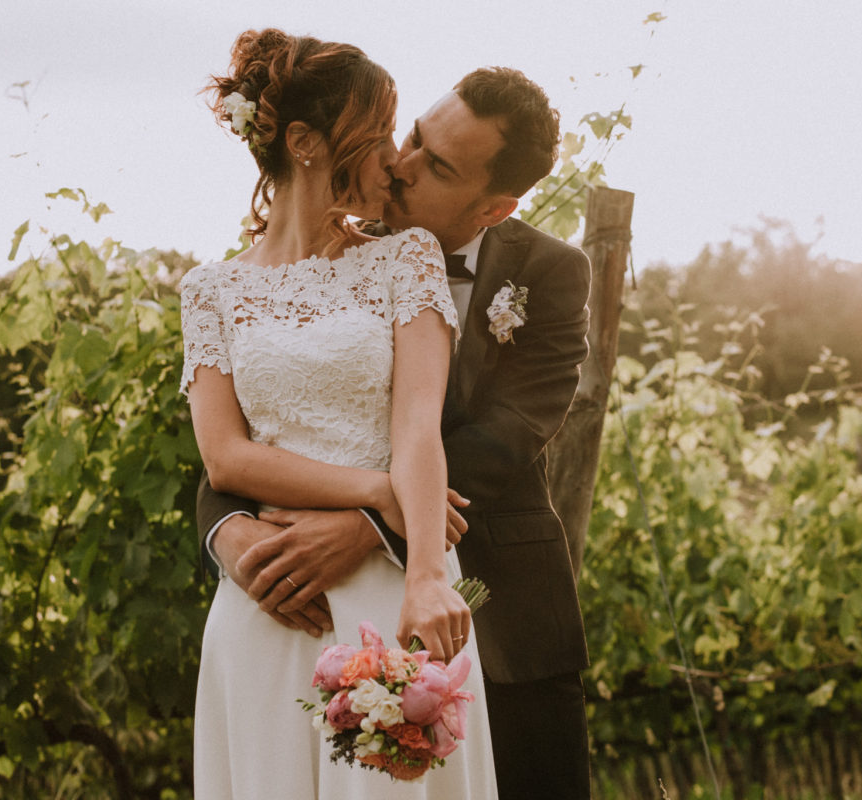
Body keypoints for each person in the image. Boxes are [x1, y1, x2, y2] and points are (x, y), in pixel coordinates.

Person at [198, 65, 593, 800]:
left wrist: (370, 523)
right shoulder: (318, 252)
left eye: (436, 165)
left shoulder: (552, 274)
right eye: (413, 138)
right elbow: (255, 422)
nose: (401, 167)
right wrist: (225, 531)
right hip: (320, 610)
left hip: (496, 613)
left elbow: (506, 437)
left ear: (495, 205)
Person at [180, 28, 498, 799]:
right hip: (267, 602)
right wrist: (376, 490)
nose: (395, 158)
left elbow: (418, 426)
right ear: (304, 142)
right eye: (379, 133)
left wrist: (425, 574)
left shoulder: (405, 259)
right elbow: (226, 460)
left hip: (389, 596)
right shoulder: (210, 290)